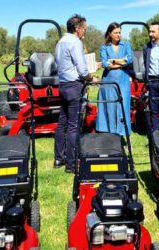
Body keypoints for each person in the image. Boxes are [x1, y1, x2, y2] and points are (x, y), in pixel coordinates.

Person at [54, 14, 98, 173]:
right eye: (84, 29)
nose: (84, 32)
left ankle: (59, 158)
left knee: (62, 123)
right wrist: (91, 78)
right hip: (74, 86)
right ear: (77, 28)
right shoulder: (75, 42)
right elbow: (82, 68)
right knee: (73, 126)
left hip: (63, 85)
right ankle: (71, 165)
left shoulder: (60, 42)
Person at [96, 22, 133, 136]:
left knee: (123, 106)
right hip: (108, 82)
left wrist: (113, 60)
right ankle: (110, 133)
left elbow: (129, 59)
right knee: (110, 106)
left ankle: (122, 132)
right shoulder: (104, 47)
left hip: (123, 81)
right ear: (109, 34)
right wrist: (121, 62)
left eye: (119, 32)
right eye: (115, 33)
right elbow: (105, 63)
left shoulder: (126, 45)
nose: (118, 35)